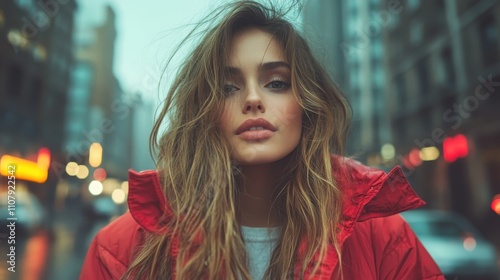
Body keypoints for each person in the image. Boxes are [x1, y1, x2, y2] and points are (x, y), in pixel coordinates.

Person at [80, 1, 444, 279]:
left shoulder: (383, 237)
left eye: (276, 83)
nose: (252, 99)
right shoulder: (120, 249)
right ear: (204, 111)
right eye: (227, 87)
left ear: (306, 103)